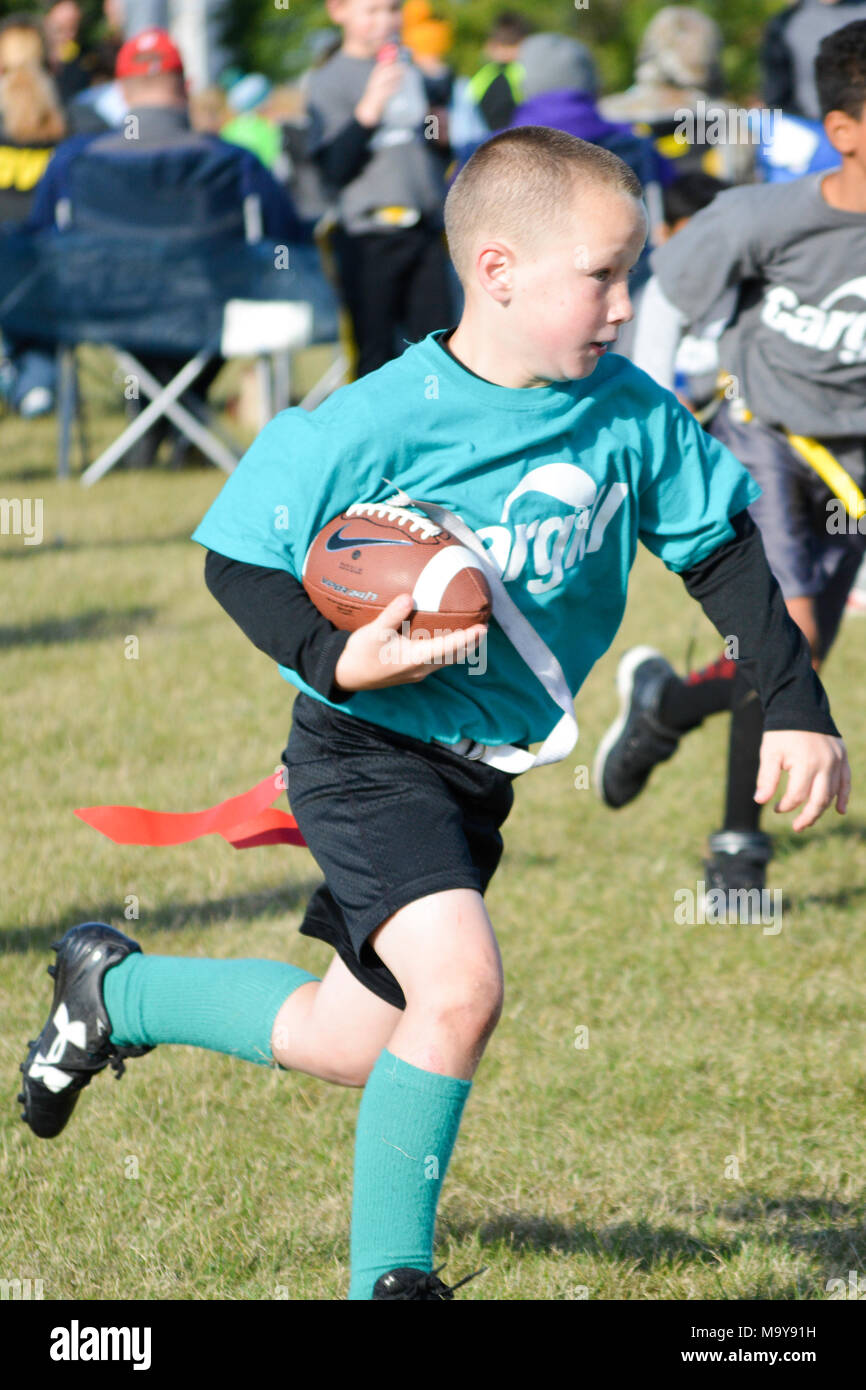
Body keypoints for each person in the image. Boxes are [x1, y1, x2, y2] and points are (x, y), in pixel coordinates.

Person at [19, 123, 849, 1301]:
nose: (626, 304)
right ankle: (390, 1283)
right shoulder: (374, 419)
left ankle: (115, 992)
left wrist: (795, 704)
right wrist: (335, 656)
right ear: (498, 271)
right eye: (603, 276)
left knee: (351, 1040)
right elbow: (235, 557)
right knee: (460, 992)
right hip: (362, 751)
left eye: (634, 274)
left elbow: (719, 553)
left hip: (473, 773)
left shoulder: (626, 410)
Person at [594, 21, 866, 896]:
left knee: (797, 659)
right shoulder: (763, 217)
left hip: (852, 465)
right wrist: (657, 432)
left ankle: (664, 706)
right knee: (792, 633)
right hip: (768, 438)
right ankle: (737, 854)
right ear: (844, 131)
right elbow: (664, 302)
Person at [24, 25, 310, 467]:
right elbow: (286, 233)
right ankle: (177, 423)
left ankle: (157, 428)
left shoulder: (75, 159)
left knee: (155, 330)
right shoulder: (233, 160)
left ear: (120, 92)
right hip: (211, 307)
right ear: (187, 87)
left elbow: (41, 234)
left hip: (108, 308)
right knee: (205, 317)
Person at [305, 0, 453, 378]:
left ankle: (435, 433)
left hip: (424, 229)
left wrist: (438, 120)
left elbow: (434, 149)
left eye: (392, 9)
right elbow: (334, 169)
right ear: (339, 11)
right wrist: (368, 110)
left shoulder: (412, 69)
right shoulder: (329, 79)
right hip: (368, 235)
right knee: (375, 357)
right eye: (371, 11)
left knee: (436, 353)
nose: (385, 21)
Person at [0, 14, 67, 417]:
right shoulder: (80, 125)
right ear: (52, 63)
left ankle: (20, 375)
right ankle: (35, 382)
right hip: (57, 275)